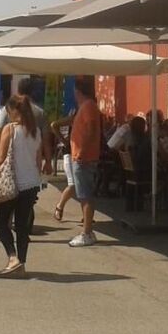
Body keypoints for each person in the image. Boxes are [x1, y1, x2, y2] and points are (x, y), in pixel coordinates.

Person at [0, 94, 47, 276]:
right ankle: (21, 263)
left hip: (11, 182)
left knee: (1, 221)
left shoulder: (10, 129)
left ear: (13, 111)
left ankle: (12, 257)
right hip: (31, 183)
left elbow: (0, 157)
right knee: (22, 226)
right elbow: (38, 160)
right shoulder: (36, 131)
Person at [67, 76, 102, 247]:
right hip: (83, 156)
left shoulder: (88, 106)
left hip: (84, 158)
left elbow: (90, 130)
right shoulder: (87, 106)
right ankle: (88, 231)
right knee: (83, 195)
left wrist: (81, 151)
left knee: (85, 196)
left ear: (78, 91)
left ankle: (87, 232)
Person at [0, 77, 54, 172]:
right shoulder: (40, 113)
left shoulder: (8, 109)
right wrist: (48, 162)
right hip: (32, 162)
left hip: (9, 162)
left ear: (18, 90)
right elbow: (46, 140)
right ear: (32, 92)